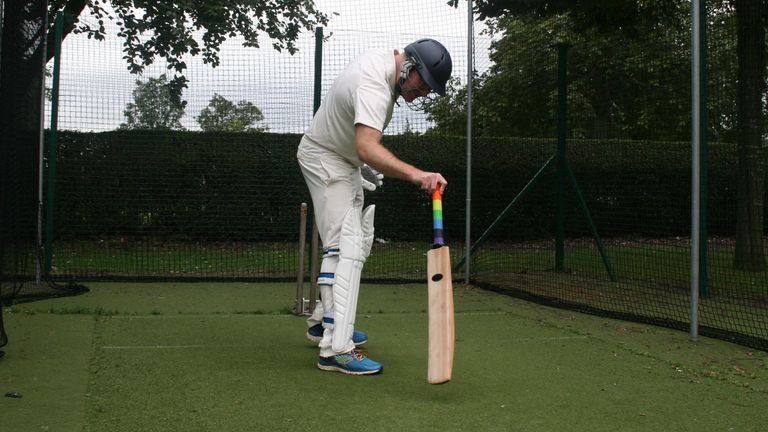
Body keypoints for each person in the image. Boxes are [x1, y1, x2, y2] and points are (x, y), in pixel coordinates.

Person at [297, 39, 453, 375]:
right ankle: (335, 348)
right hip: (326, 158)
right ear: (409, 66)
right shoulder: (375, 86)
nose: (423, 92)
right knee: (343, 247)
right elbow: (367, 146)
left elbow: (356, 138)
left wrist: (359, 162)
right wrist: (417, 175)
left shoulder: (384, 64)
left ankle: (323, 321)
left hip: (343, 158)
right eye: (423, 83)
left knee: (357, 241)